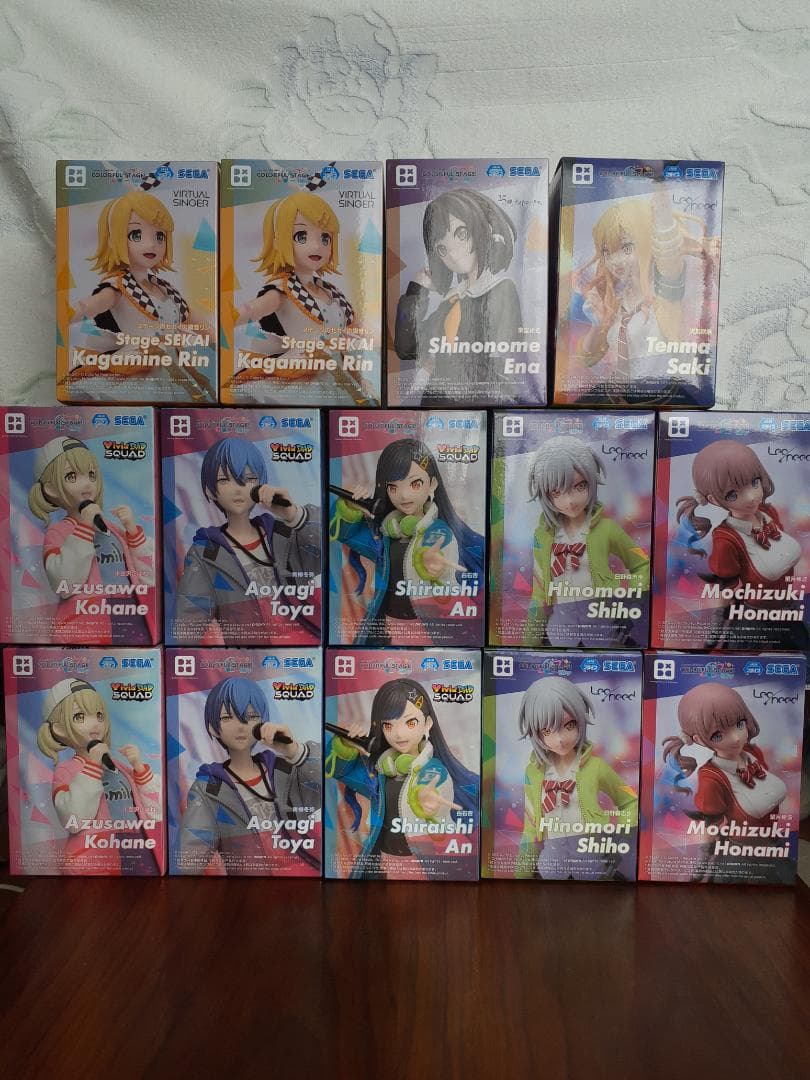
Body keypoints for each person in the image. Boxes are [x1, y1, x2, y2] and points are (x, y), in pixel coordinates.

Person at [329, 438, 484, 645]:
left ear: (432, 484)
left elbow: (437, 551)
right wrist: (350, 507)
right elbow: (347, 535)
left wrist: (431, 564)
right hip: (388, 629)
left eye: (415, 484)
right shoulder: (385, 533)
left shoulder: (438, 530)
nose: (403, 495)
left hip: (429, 632)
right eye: (393, 487)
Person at [324, 678, 478, 879]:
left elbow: (431, 787)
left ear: (427, 724)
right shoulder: (382, 770)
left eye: (410, 722)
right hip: (383, 865)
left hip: (421, 868)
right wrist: (345, 746)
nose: (398, 734)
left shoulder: (433, 770)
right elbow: (342, 771)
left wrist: (425, 802)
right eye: (388, 725)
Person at [173, 437, 321, 644]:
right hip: (254, 654)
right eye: (224, 480)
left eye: (249, 479)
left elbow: (328, 552)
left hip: (310, 646)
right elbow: (188, 624)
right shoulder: (206, 552)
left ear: (261, 485)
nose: (238, 488)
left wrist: (293, 514)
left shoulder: (285, 533)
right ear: (209, 490)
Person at [67, 190, 212, 401]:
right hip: (138, 369)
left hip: (172, 367)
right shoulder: (118, 288)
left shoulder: (166, 290)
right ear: (113, 239)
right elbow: (86, 307)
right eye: (136, 235)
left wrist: (221, 346)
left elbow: (202, 325)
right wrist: (64, 316)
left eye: (159, 236)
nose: (151, 244)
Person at [233, 190, 371, 403]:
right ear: (278, 241)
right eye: (301, 236)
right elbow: (251, 310)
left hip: (336, 375)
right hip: (301, 378)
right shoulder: (282, 290)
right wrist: (227, 318)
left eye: (325, 238)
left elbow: (357, 333)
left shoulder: (331, 293)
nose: (317, 246)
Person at [572, 188, 719, 387]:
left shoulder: (666, 291)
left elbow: (669, 256)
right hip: (621, 399)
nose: (615, 260)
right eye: (607, 252)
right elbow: (587, 360)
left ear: (646, 241)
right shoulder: (617, 300)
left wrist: (663, 219)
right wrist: (597, 325)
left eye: (626, 248)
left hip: (668, 395)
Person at [177, 676, 321, 875]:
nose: (240, 726)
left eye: (251, 716)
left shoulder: (286, 770)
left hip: (309, 876)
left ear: (262, 722)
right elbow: (189, 860)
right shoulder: (209, 788)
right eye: (227, 718)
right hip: (251, 886)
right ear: (212, 728)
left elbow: (329, 788)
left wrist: (295, 751)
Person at [394, 189, 521, 403]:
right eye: (441, 248)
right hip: (437, 406)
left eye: (461, 233)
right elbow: (407, 348)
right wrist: (417, 290)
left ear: (484, 229)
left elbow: (505, 363)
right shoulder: (451, 302)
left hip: (477, 406)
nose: (452, 252)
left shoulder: (502, 290)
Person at [675, 439, 806, 648]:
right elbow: (726, 587)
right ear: (714, 499)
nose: (752, 496)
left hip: (789, 612)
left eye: (754, 482)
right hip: (755, 620)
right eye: (733, 494)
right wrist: (716, 628)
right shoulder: (726, 538)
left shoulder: (768, 513)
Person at [28, 435, 155, 644]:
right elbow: (65, 584)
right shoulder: (58, 533)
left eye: (91, 475)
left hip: (131, 615)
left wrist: (132, 532)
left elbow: (148, 577)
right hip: (89, 625)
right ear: (51, 488)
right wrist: (84, 528)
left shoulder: (112, 529)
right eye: (71, 476)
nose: (87, 483)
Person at [524, 435, 649, 646]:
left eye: (579, 487)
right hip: (559, 635)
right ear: (546, 495)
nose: (570, 501)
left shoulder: (607, 529)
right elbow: (538, 592)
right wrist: (528, 643)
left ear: (591, 481)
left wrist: (630, 604)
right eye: (557, 492)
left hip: (602, 633)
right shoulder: (542, 536)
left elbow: (642, 563)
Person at [515, 677, 638, 879]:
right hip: (551, 869)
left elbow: (630, 801)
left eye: (569, 725)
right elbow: (530, 827)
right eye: (547, 731)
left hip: (591, 867)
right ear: (535, 733)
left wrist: (617, 838)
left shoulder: (596, 766)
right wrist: (521, 874)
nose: (560, 739)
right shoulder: (533, 773)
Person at [36, 677, 161, 875]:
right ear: (59, 728)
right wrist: (92, 767)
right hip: (96, 860)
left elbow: (156, 811)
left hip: (139, 850)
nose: (95, 724)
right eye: (79, 717)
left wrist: (139, 768)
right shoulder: (66, 771)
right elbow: (74, 820)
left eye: (99, 715)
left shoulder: (118, 767)